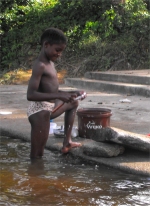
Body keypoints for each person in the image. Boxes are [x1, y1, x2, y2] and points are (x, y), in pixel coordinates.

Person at [27, 27, 86, 159]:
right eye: (57, 50)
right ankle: (34, 178)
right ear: (46, 45)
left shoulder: (50, 63)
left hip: (50, 108)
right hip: (39, 112)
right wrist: (60, 95)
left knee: (74, 102)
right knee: (37, 156)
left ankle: (67, 143)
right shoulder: (40, 65)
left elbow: (52, 91)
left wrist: (73, 92)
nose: (59, 54)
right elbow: (30, 94)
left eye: (61, 51)